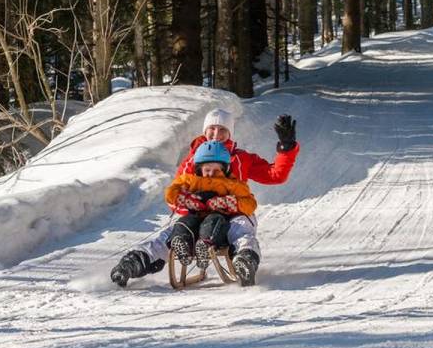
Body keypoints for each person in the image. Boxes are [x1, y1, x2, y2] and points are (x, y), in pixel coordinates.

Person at [111, 108, 299, 287]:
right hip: (197, 216)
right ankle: (134, 261)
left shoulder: (241, 158)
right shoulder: (192, 161)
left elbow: (275, 175)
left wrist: (286, 148)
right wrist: (189, 206)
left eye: (223, 130)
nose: (216, 134)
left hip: (234, 212)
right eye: (212, 129)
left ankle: (245, 260)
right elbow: (176, 194)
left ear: (230, 133)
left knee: (242, 230)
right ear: (205, 130)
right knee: (170, 233)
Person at [165, 140, 257, 270]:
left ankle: (205, 247)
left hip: (218, 222)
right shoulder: (190, 180)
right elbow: (171, 192)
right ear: (199, 169)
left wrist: (227, 202)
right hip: (195, 218)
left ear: (224, 169)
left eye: (216, 170)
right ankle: (182, 244)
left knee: (213, 220)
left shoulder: (231, 183)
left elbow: (250, 204)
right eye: (207, 169)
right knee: (184, 221)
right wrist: (186, 199)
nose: (211, 173)